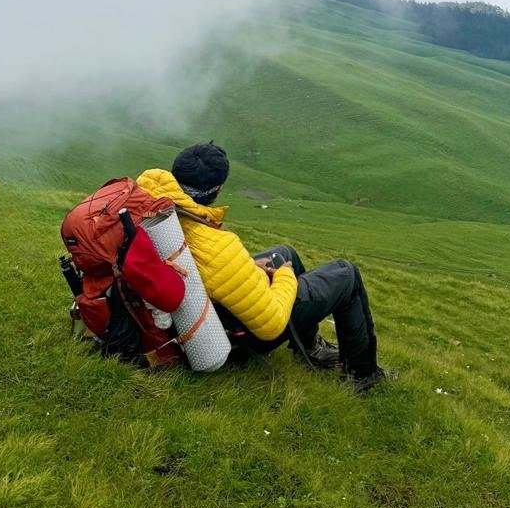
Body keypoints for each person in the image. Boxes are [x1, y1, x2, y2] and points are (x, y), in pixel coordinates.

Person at [137, 143, 389, 392]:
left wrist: (248, 268)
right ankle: (364, 375)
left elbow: (210, 271)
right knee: (346, 274)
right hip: (228, 335)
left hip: (199, 312)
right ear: (217, 189)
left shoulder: (152, 206)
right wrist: (285, 276)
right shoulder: (215, 244)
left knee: (284, 252)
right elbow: (271, 325)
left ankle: (309, 347)